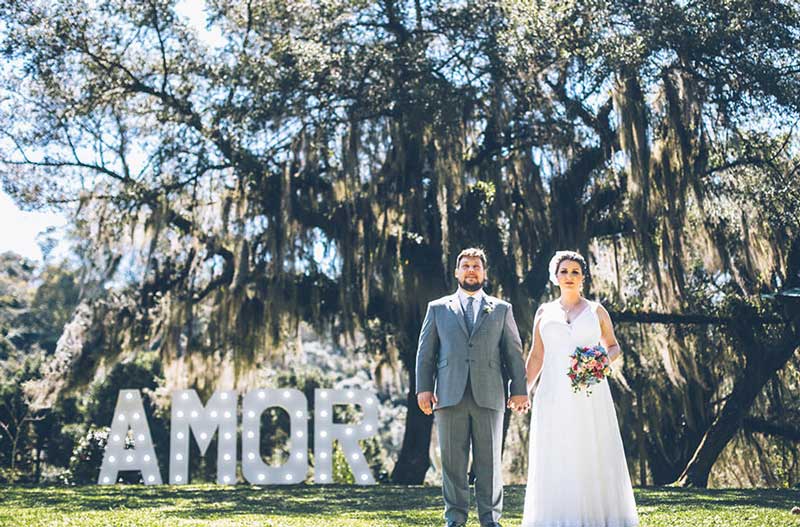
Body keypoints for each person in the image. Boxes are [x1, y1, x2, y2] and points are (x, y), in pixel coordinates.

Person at [521, 250, 638, 527]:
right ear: (555, 276)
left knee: (590, 448)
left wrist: (598, 362)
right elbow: (537, 356)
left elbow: (613, 346)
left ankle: (596, 516)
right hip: (552, 393)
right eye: (564, 271)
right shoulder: (544, 312)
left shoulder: (596, 310)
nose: (569, 277)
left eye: (575, 272)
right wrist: (523, 389)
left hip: (590, 393)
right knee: (557, 450)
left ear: (583, 277)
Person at [416, 247, 530, 527]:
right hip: (448, 395)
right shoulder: (438, 308)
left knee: (489, 464)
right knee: (453, 464)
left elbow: (514, 353)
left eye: (476, 266)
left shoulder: (502, 309)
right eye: (465, 266)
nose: (470, 270)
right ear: (456, 272)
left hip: (489, 395)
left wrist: (519, 389)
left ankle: (490, 520)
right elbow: (425, 353)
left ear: (484, 273)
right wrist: (423, 388)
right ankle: (455, 519)